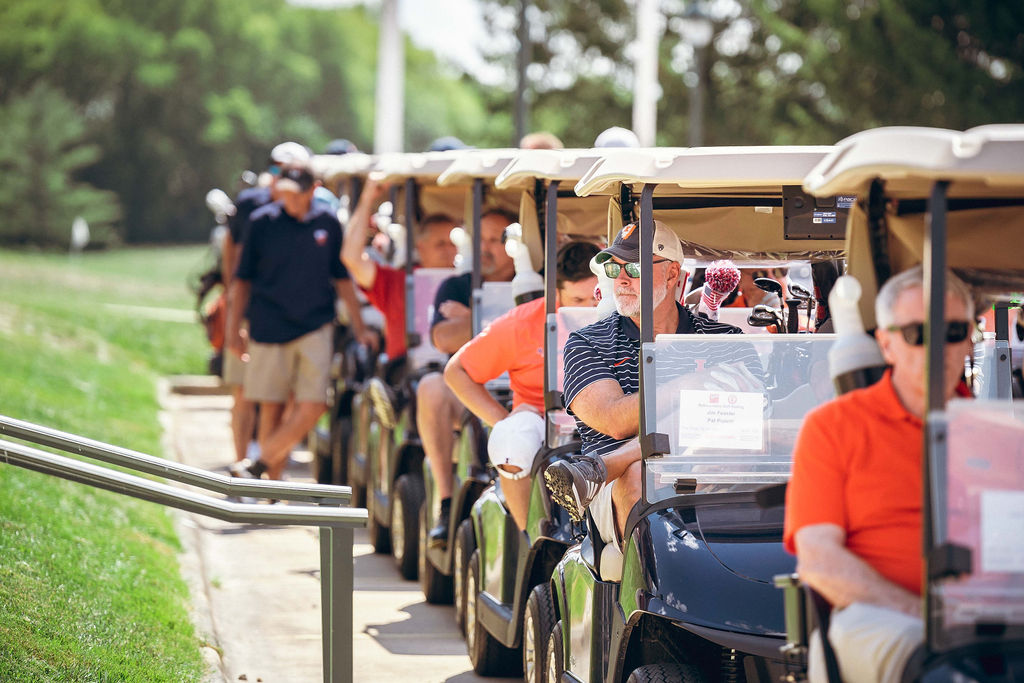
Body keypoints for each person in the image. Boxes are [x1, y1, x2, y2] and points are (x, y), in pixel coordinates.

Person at [783, 265, 974, 683]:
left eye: (953, 332)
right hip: (881, 616)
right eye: (918, 334)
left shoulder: (998, 430)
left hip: (989, 614)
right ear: (886, 344)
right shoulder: (833, 427)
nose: (937, 348)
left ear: (969, 339)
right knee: (937, 664)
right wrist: (925, 616)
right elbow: (820, 560)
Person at [543, 220, 760, 543]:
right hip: (623, 489)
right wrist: (691, 386)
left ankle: (601, 467)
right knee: (639, 476)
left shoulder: (727, 340)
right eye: (614, 269)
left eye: (634, 268)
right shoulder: (588, 342)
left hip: (719, 469)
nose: (622, 279)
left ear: (672, 274)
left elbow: (755, 424)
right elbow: (615, 421)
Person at [444, 241, 600, 530]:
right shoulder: (523, 323)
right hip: (544, 420)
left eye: (596, 298)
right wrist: (502, 419)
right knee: (511, 441)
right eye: (578, 301)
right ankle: (529, 534)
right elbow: (457, 371)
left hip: (607, 416)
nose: (590, 309)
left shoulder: (622, 316)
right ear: (556, 294)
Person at [225, 159, 355, 481]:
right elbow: (242, 280)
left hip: (315, 325)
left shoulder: (328, 223)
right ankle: (270, 488)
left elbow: (341, 277)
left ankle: (258, 463)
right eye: (286, 192)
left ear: (314, 190)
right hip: (268, 325)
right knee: (272, 406)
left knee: (313, 405)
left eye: (298, 193)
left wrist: (360, 326)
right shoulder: (261, 222)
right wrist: (233, 328)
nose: (291, 199)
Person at [422, 208, 517, 547]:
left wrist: (474, 321)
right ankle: (446, 502)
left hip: (524, 387)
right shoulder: (457, 285)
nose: (486, 248)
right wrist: (502, 319)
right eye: (481, 239)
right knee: (430, 388)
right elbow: (444, 338)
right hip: (471, 388)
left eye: (496, 240)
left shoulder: (538, 283)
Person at [221, 141, 308, 466]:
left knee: (283, 396)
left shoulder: (312, 208)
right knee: (244, 391)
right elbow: (231, 251)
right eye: (276, 168)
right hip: (250, 311)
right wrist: (233, 304)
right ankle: (240, 465)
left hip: (287, 315)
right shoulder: (249, 204)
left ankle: (272, 466)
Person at [341, 178, 457, 362]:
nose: (449, 250)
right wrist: (367, 198)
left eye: (453, 243)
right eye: (440, 244)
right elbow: (351, 257)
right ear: (421, 247)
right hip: (404, 370)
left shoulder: (468, 281)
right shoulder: (399, 280)